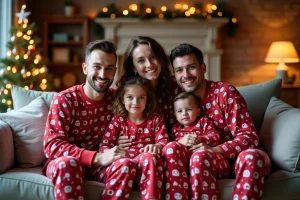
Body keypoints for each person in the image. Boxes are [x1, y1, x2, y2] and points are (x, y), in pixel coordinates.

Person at [162, 43, 271, 200]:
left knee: (251, 156)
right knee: (195, 155)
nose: (186, 74)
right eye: (179, 70)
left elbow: (249, 137)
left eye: (191, 67)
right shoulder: (177, 102)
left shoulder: (225, 93)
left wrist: (216, 150)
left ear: (203, 68)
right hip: (208, 162)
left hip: (241, 157)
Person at [43, 40, 137, 200]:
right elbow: (52, 145)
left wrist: (124, 139)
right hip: (67, 163)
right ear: (85, 68)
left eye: (109, 69)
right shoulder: (65, 99)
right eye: (97, 67)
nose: (102, 74)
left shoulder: (118, 99)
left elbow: (136, 123)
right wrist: (97, 157)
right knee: (67, 164)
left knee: (126, 165)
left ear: (114, 71)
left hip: (101, 166)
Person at [99, 76, 169, 200]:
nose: (135, 103)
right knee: (125, 163)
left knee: (150, 156)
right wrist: (116, 152)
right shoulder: (118, 120)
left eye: (141, 97)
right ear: (123, 100)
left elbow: (164, 141)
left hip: (147, 168)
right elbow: (104, 145)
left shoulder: (156, 119)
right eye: (130, 97)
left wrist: (157, 146)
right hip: (124, 167)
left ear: (148, 100)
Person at [116, 36, 181, 139]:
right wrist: (118, 139)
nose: (149, 64)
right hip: (141, 149)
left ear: (160, 59)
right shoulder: (127, 93)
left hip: (174, 145)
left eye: (153, 57)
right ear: (134, 67)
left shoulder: (177, 86)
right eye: (141, 60)